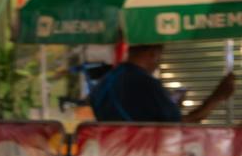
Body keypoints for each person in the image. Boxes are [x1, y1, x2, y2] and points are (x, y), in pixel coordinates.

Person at [89, 43, 235, 123]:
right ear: (153, 53)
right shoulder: (146, 84)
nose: (159, 64)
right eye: (160, 56)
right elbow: (181, 124)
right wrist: (217, 97)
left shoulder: (104, 82)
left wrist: (170, 105)